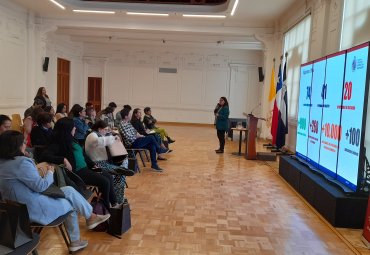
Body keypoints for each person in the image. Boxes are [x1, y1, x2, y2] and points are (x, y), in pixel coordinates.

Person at [0, 130, 110, 252]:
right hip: (33, 209)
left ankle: (90, 218)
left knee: (68, 191)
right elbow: (40, 186)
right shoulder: (21, 163)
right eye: (24, 142)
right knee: (72, 202)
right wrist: (50, 172)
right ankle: (77, 237)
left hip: (16, 209)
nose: (25, 144)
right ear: (17, 146)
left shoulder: (3, 163)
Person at [42, 118, 118, 209]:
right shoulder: (58, 144)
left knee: (108, 176)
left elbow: (83, 154)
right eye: (73, 127)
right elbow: (45, 156)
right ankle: (106, 208)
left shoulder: (73, 140)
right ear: (67, 129)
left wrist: (92, 164)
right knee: (104, 182)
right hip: (77, 172)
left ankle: (114, 204)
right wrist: (63, 159)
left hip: (86, 168)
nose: (75, 128)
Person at [85, 120, 135, 203]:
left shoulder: (99, 134)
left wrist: (113, 136)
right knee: (118, 173)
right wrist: (113, 138)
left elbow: (105, 138)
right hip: (95, 164)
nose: (106, 131)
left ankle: (119, 197)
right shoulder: (92, 135)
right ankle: (117, 199)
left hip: (103, 162)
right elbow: (99, 141)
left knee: (120, 175)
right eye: (105, 129)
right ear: (100, 129)